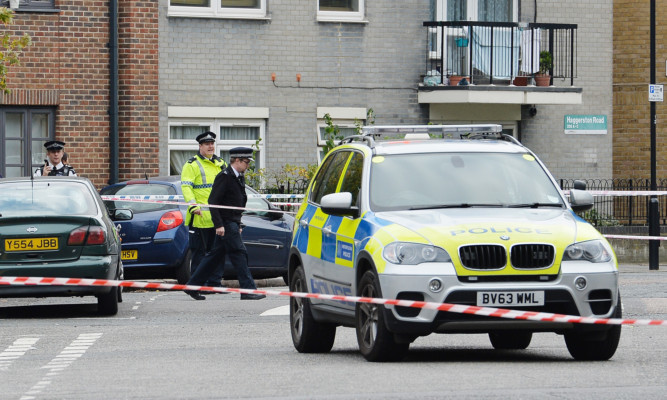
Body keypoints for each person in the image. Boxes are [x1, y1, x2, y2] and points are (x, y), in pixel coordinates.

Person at [185, 147, 265, 301]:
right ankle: (248, 290)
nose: (248, 165)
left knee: (214, 256)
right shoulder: (224, 176)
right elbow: (213, 202)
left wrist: (239, 224)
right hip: (226, 224)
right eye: (246, 162)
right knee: (240, 254)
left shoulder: (239, 176)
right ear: (237, 160)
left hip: (233, 222)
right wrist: (219, 225)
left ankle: (193, 286)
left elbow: (237, 202)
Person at [180, 131, 227, 287]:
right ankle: (199, 284)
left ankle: (215, 283)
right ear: (200, 146)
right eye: (207, 144)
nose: (210, 146)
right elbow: (187, 188)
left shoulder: (221, 163)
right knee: (199, 253)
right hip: (199, 218)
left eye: (212, 143)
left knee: (218, 253)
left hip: (217, 218)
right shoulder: (191, 165)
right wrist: (193, 206)